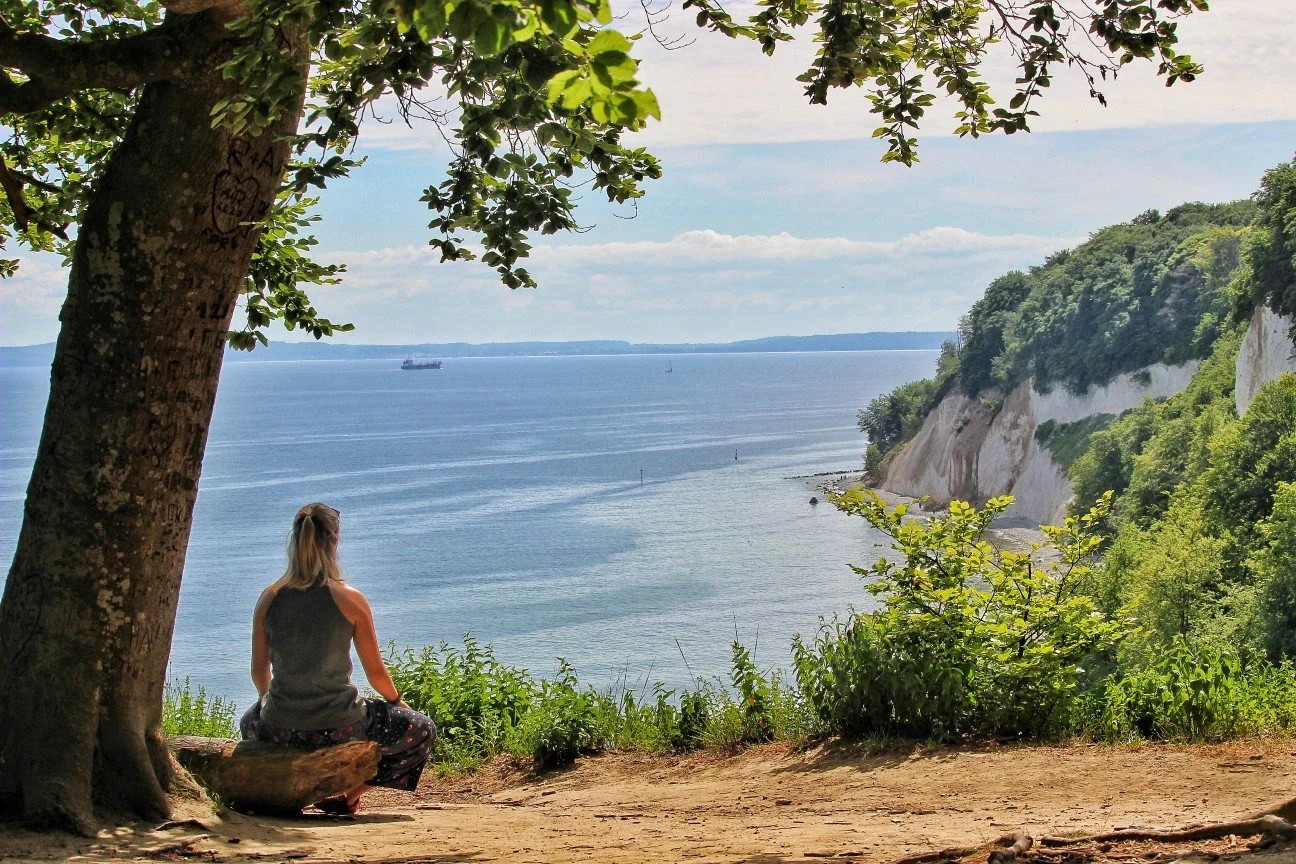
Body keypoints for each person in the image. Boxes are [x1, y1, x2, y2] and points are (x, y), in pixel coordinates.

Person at [240, 502, 436, 814]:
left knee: (248, 721)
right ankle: (350, 797)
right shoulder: (350, 599)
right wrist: (397, 700)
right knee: (423, 729)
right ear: (334, 542)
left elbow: (259, 672)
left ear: (294, 541)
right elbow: (375, 673)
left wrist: (268, 701)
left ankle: (287, 789)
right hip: (341, 727)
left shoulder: (269, 598)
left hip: (280, 727)